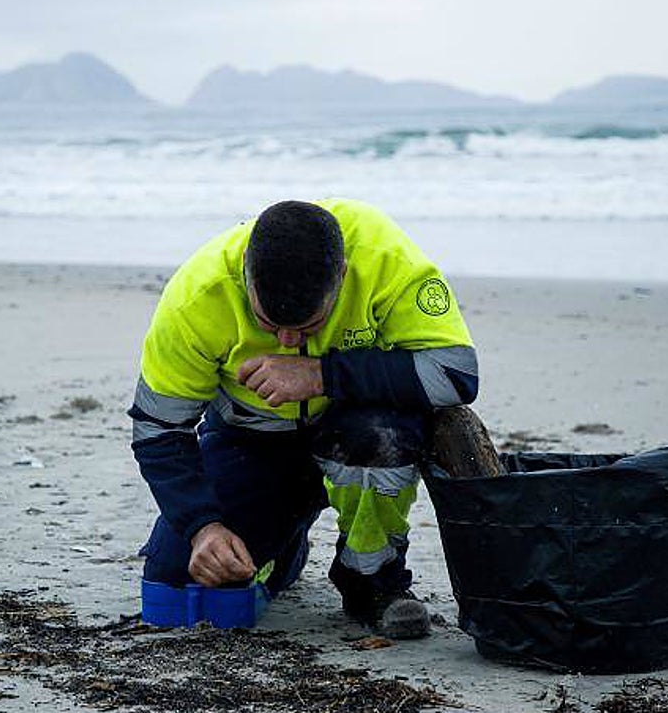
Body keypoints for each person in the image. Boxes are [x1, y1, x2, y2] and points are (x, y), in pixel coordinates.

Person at [128, 198, 479, 639]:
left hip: (359, 432)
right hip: (253, 441)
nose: (287, 339)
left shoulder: (384, 258)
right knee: (180, 574)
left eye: (309, 326)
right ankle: (287, 541)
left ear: (344, 277)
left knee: (379, 436)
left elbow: (457, 374)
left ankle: (371, 582)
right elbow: (158, 429)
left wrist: (322, 374)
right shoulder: (197, 298)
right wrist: (202, 526)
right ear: (245, 274)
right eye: (268, 323)